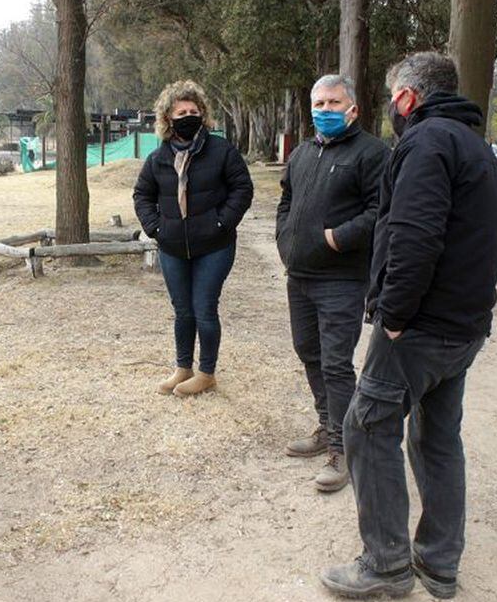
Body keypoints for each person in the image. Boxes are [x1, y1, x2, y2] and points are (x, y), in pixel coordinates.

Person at [320, 52, 497, 599]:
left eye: (391, 100)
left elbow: (413, 235)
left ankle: (386, 565)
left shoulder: (426, 144)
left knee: (368, 426)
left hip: (421, 327)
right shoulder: (478, 148)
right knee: (436, 438)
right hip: (464, 326)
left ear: (407, 98)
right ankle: (439, 562)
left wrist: (395, 316)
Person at [276, 74, 387, 492]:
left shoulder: (372, 153)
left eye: (334, 103)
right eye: (319, 104)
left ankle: (343, 448)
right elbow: (286, 199)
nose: (325, 111)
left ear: (353, 109)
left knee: (336, 362)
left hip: (341, 277)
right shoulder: (303, 153)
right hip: (300, 275)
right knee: (308, 351)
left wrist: (339, 237)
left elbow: (382, 210)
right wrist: (285, 238)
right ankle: (327, 425)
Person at [133, 80, 254, 397]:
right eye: (181, 111)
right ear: (168, 119)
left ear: (203, 114)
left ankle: (207, 373)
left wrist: (220, 222)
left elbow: (243, 190)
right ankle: (183, 368)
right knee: (182, 310)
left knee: (204, 308)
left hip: (214, 246)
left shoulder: (222, 150)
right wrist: (156, 228)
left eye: (193, 110)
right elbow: (142, 195)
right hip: (172, 247)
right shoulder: (158, 158)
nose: (188, 115)